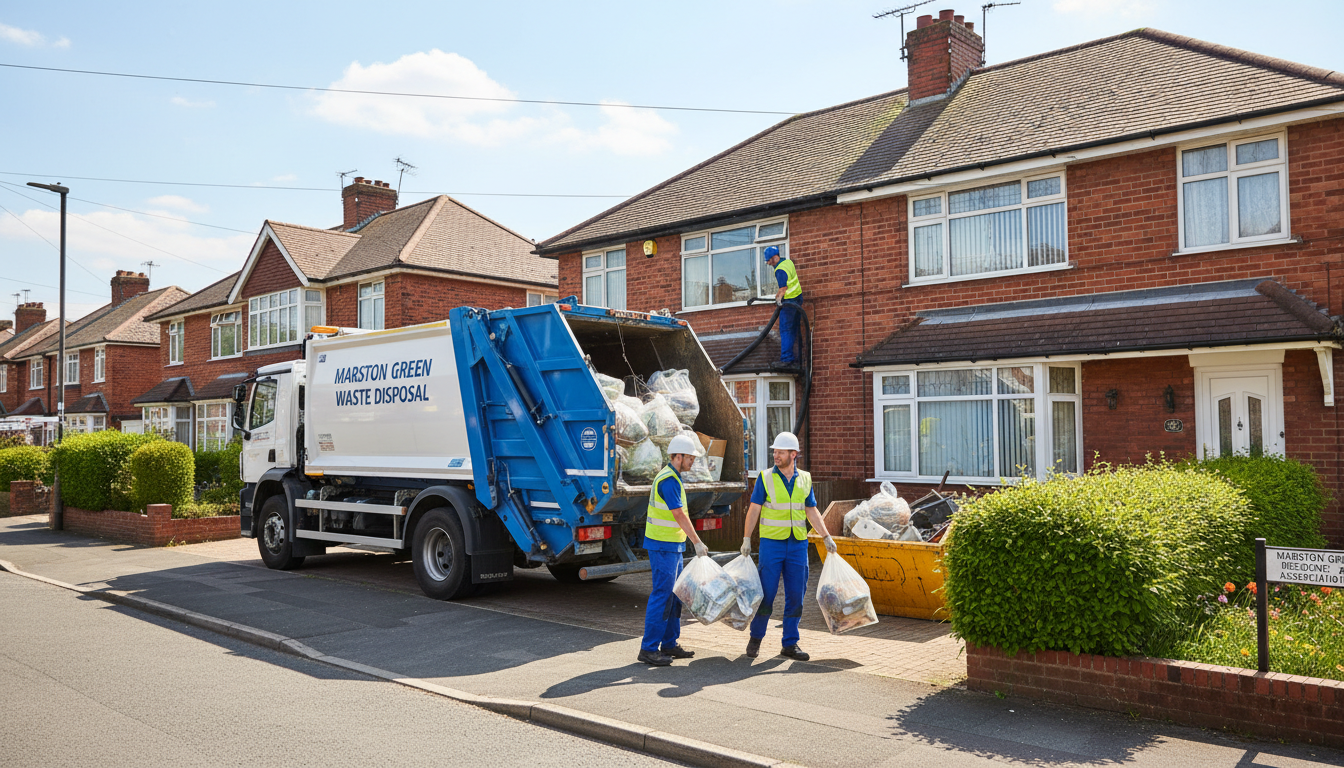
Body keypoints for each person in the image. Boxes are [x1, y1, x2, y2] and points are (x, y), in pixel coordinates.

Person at [740, 431, 835, 661]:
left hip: (797, 545)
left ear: (793, 454)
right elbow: (754, 509)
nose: (776, 455)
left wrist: (825, 536)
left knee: (796, 596)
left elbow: (811, 510)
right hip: (771, 544)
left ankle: (790, 644)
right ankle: (756, 638)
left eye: (780, 452)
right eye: (774, 451)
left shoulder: (805, 478)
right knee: (767, 595)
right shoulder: (765, 477)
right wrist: (746, 538)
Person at [639, 433, 710, 667]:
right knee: (662, 594)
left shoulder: (674, 478)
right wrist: (697, 542)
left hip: (672, 545)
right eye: (689, 457)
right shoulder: (668, 480)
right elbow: (678, 514)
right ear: (677, 457)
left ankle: (669, 643)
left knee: (675, 595)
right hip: (662, 546)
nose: (692, 461)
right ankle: (649, 649)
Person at [764, 245, 803, 368]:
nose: (768, 263)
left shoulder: (779, 270)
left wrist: (778, 299)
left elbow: (783, 288)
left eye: (769, 260)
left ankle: (786, 359)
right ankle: (796, 358)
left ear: (775, 258)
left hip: (789, 302)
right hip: (798, 299)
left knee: (785, 329)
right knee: (794, 329)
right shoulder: (787, 262)